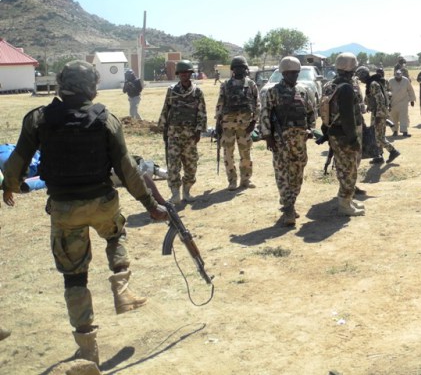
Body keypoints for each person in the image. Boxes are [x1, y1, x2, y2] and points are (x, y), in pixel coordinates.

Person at [1, 60, 168, 366]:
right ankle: (122, 285)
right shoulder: (106, 118)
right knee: (116, 235)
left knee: (74, 278)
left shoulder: (38, 118)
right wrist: (150, 205)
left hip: (65, 209)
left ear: (62, 84)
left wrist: (9, 187)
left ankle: (88, 349)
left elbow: (18, 160)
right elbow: (127, 169)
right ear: (92, 85)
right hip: (103, 203)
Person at [260, 56, 316, 226]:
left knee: (298, 171)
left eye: (296, 73)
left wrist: (310, 129)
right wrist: (268, 136)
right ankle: (288, 206)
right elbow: (265, 114)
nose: (294, 76)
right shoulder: (273, 92)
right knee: (283, 172)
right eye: (290, 73)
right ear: (283, 73)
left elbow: (311, 112)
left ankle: (290, 201)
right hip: (280, 139)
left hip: (299, 140)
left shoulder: (304, 91)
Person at [322, 52, 366, 216]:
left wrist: (326, 132)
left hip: (335, 133)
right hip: (345, 135)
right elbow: (347, 116)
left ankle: (347, 200)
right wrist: (353, 139)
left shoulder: (330, 85)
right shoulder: (346, 88)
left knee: (343, 167)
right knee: (349, 169)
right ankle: (344, 205)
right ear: (351, 69)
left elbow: (325, 111)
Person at [158, 60, 207, 204]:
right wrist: (163, 129)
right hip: (173, 135)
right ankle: (175, 194)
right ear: (178, 74)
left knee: (191, 165)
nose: (184, 75)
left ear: (191, 74)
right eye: (181, 73)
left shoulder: (197, 92)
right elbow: (166, 110)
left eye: (187, 72)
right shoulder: (172, 90)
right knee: (173, 165)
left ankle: (187, 191)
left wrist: (199, 132)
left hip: (190, 136)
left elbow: (202, 113)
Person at [216, 56, 260, 191]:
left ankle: (246, 179)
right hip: (228, 125)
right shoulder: (225, 85)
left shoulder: (251, 85)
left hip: (245, 125)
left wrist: (254, 122)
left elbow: (257, 104)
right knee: (228, 154)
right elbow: (220, 104)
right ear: (232, 69)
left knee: (245, 153)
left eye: (242, 67)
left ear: (246, 69)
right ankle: (232, 180)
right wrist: (218, 123)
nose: (239, 70)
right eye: (237, 67)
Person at [356, 66, 401, 165]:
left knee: (378, 136)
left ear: (363, 76)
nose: (360, 80)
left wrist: (379, 116)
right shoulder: (371, 83)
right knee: (376, 134)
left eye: (360, 77)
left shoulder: (373, 84)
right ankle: (379, 156)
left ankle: (393, 151)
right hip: (376, 112)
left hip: (379, 113)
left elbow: (380, 100)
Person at [388, 69, 416, 137]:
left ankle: (404, 132)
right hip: (393, 103)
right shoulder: (390, 81)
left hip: (403, 102)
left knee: (404, 117)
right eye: (397, 77)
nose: (398, 79)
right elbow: (387, 91)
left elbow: (410, 90)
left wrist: (412, 100)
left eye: (399, 77)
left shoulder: (406, 80)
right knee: (393, 118)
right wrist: (388, 102)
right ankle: (395, 131)